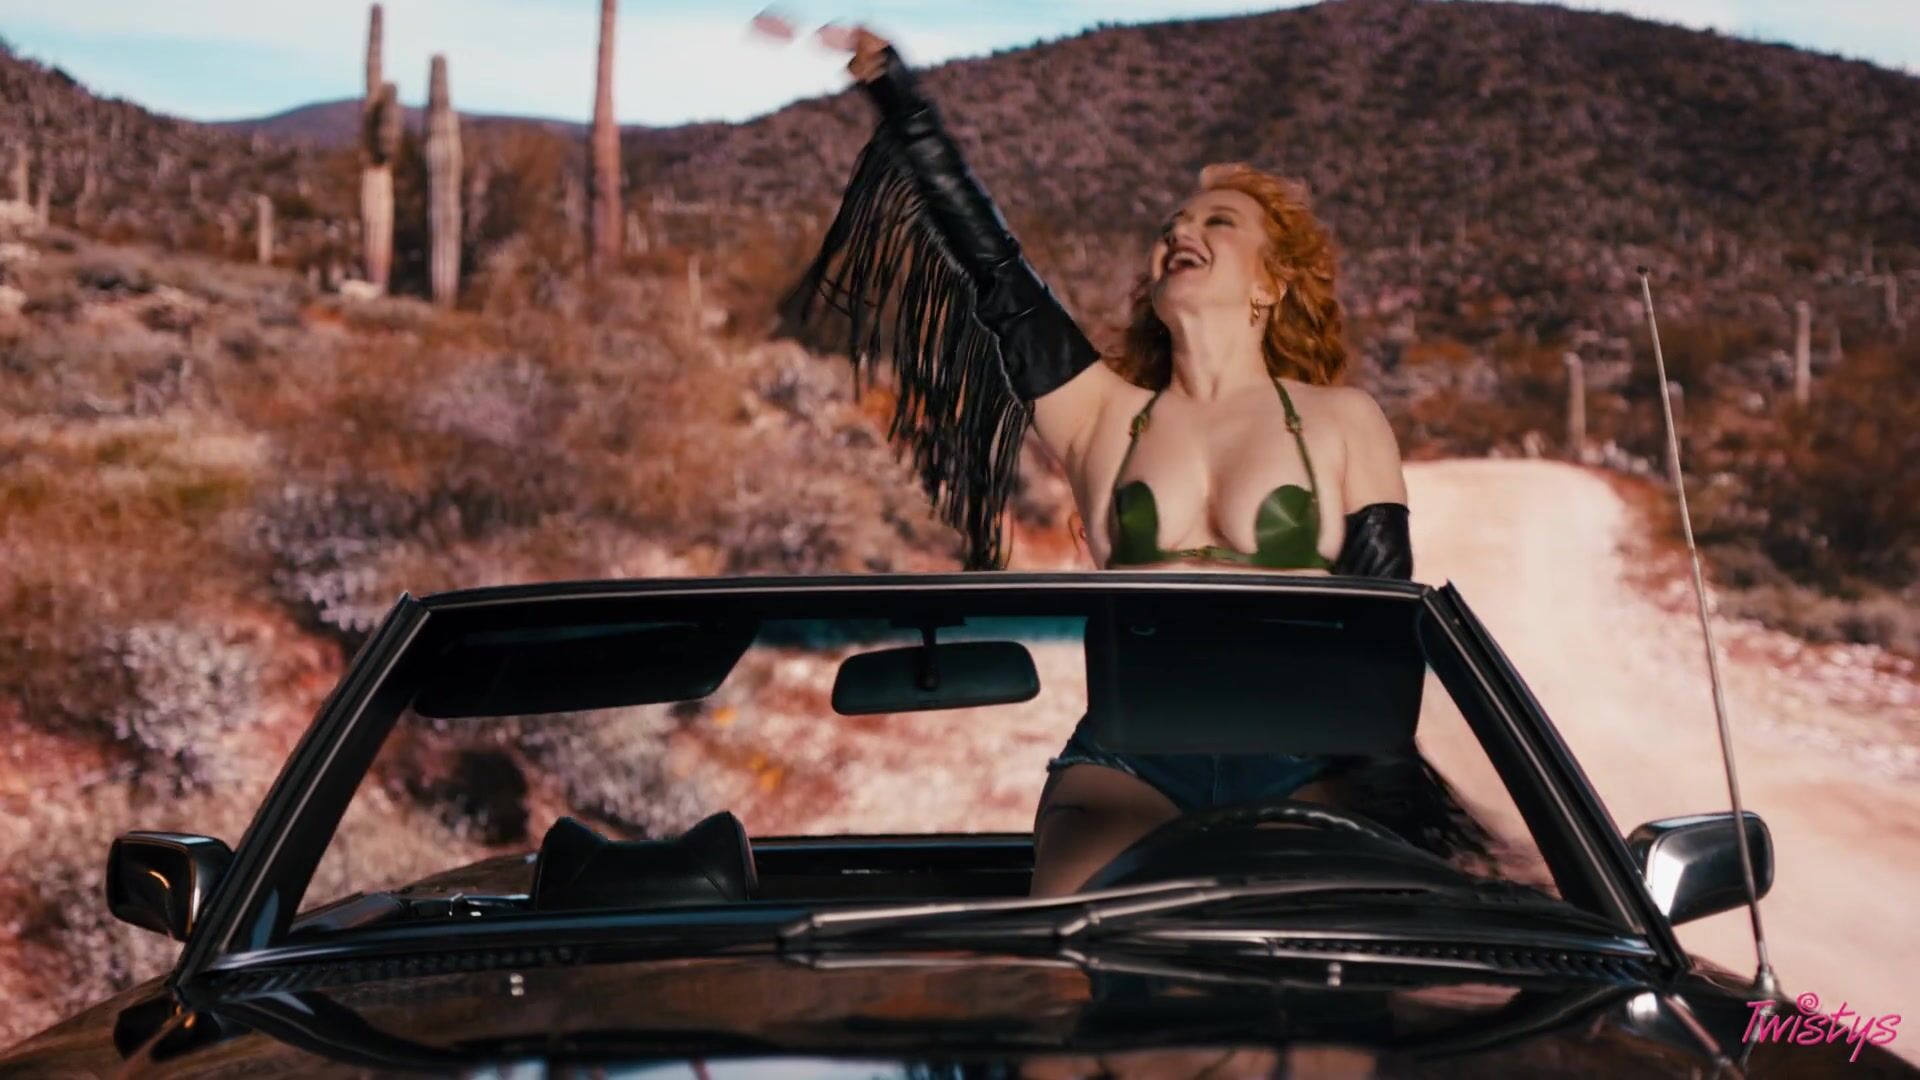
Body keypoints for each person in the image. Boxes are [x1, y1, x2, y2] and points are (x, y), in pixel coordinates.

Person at [777, 24, 1492, 896]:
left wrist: (1382, 799)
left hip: (1305, 761)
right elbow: (995, 271)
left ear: (1270, 283)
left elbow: (1384, 625)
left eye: (1218, 222)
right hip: (1133, 761)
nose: (1182, 230)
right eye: (1171, 227)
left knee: (1302, 967)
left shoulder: (1343, 420)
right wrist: (899, 99)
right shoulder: (1102, 416)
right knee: (1076, 940)